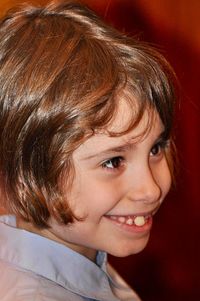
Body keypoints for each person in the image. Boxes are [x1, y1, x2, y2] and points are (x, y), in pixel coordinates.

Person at [0, 0, 176, 300]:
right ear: (25, 176)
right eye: (113, 161)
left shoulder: (81, 251)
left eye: (155, 148)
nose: (151, 189)